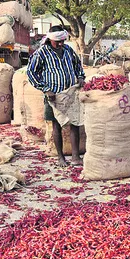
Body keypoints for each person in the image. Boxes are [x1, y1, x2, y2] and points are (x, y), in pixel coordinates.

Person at [27, 25, 86, 167]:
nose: (60, 44)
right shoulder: (42, 52)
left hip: (70, 92)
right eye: (57, 42)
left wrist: (80, 77)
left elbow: (77, 64)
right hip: (53, 95)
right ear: (50, 40)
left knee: (75, 123)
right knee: (56, 125)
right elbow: (31, 72)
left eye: (62, 41)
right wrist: (46, 89)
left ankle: (75, 156)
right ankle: (60, 157)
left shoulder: (67, 50)